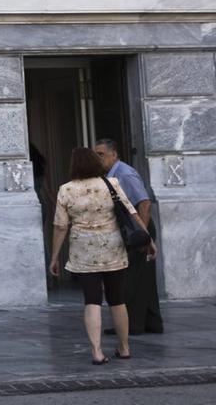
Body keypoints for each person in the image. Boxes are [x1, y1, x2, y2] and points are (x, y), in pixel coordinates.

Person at [50, 147, 151, 365]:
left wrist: (54, 257)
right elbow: (131, 212)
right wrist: (147, 237)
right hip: (112, 247)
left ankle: (96, 351)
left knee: (92, 300)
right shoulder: (111, 183)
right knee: (117, 299)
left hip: (83, 250)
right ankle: (124, 348)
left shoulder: (66, 190)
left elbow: (60, 227)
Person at [94, 139, 164, 335]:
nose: (98, 159)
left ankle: (132, 325)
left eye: (101, 154)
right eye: (96, 155)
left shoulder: (124, 173)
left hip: (138, 228)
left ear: (114, 154)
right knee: (143, 278)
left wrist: (142, 235)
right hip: (133, 229)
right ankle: (152, 322)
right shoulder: (111, 174)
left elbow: (144, 203)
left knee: (130, 278)